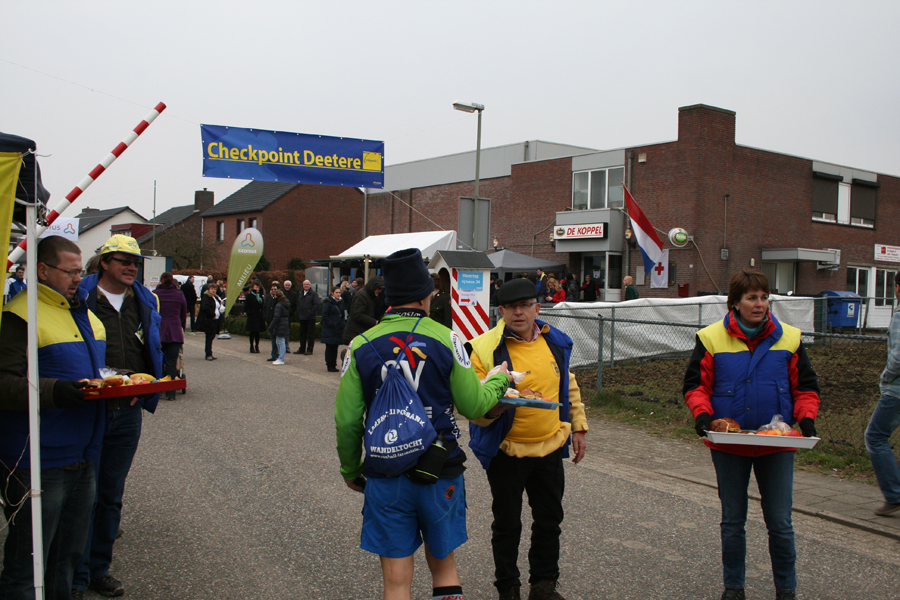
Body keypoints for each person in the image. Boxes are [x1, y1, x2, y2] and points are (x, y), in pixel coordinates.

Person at [335, 247, 513, 600]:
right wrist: (499, 380)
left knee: (396, 580)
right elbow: (472, 404)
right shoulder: (448, 339)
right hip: (439, 468)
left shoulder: (359, 345)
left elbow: (347, 420)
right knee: (444, 564)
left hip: (386, 472)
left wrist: (351, 468)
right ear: (425, 295)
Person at [683, 269, 820, 600]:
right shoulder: (711, 338)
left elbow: (805, 388)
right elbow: (695, 386)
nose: (759, 304)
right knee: (732, 521)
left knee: (780, 523)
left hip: (775, 446)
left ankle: (786, 589)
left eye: (764, 297)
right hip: (730, 446)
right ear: (735, 303)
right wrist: (703, 416)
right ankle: (734, 587)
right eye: (751, 298)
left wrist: (807, 420)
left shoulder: (789, 338)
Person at [467, 278, 588, 600]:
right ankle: (507, 588)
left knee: (549, 520)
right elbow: (473, 405)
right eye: (511, 307)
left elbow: (569, 385)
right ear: (501, 311)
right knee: (507, 524)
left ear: (537, 307)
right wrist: (496, 406)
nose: (518, 312)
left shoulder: (554, 342)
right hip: (507, 450)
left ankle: (544, 585)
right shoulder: (484, 348)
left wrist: (578, 426)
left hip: (549, 445)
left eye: (525, 306)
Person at [0, 236, 106, 600]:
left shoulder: (84, 313)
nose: (79, 278)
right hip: (38, 458)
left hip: (85, 454)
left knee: (66, 558)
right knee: (28, 562)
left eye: (80, 271)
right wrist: (54, 391)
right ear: (42, 270)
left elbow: (95, 374)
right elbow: (4, 383)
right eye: (70, 272)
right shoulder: (18, 315)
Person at [74, 234, 164, 599]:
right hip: (87, 409)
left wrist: (152, 382)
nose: (131, 267)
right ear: (106, 262)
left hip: (127, 412)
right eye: (124, 260)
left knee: (110, 495)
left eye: (136, 262)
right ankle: (75, 576)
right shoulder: (78, 297)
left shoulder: (144, 300)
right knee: (83, 497)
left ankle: (99, 570)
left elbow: (150, 347)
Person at [865, 269, 900, 517]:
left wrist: (886, 376)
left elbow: (898, 357)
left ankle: (894, 494)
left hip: (896, 391)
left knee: (875, 436)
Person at [153, 272, 187, 400]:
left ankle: (159, 388)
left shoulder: (156, 294)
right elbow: (183, 313)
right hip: (174, 331)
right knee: (172, 362)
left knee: (158, 361)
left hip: (159, 331)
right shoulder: (179, 294)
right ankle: (171, 393)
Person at [342, 275, 384, 345]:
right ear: (373, 287)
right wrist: (374, 322)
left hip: (361, 332)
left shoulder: (371, 296)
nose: (380, 291)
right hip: (356, 333)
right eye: (379, 288)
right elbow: (357, 314)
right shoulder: (362, 295)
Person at [321, 285, 345, 372]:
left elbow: (342, 314)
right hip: (330, 329)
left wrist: (342, 324)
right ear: (332, 293)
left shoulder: (341, 302)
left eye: (339, 292)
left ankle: (333, 364)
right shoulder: (328, 303)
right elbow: (325, 315)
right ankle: (329, 364)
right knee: (329, 347)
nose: (338, 294)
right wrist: (331, 324)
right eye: (336, 293)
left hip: (337, 329)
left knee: (335, 347)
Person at [294, 279, 320, 355]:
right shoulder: (301, 294)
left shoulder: (314, 294)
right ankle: (302, 348)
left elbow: (317, 304)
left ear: (310, 285)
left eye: (307, 284)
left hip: (310, 318)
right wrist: (299, 312)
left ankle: (309, 349)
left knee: (310, 334)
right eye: (304, 284)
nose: (305, 286)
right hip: (302, 317)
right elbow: (298, 304)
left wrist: (310, 312)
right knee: (302, 334)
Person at [197, 281, 222, 360]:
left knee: (212, 336)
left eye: (215, 289)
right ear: (208, 289)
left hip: (216, 319)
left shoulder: (215, 297)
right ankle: (208, 354)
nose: (213, 290)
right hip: (209, 319)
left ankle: (210, 352)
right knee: (209, 337)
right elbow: (205, 307)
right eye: (212, 289)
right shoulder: (206, 297)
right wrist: (213, 314)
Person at [268, 289, 290, 365]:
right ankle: (280, 357)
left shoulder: (279, 305)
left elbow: (276, 317)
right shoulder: (285, 303)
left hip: (280, 324)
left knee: (280, 342)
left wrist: (271, 326)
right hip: (284, 323)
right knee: (280, 341)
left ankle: (281, 358)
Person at [244, 280, 266, 353]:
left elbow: (262, 305)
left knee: (257, 332)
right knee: (252, 332)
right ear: (252, 287)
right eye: (256, 287)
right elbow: (246, 306)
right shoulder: (249, 296)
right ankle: (251, 346)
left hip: (259, 316)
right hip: (252, 316)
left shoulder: (260, 296)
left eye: (258, 287)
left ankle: (257, 346)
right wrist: (249, 313)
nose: (257, 288)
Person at [282, 279, 298, 353]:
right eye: (286, 285)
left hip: (288, 315)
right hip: (281, 315)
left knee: (287, 331)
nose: (287, 286)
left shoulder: (294, 294)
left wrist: (290, 312)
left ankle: (287, 346)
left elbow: (295, 305)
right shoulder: (281, 293)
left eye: (288, 285)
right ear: (284, 285)